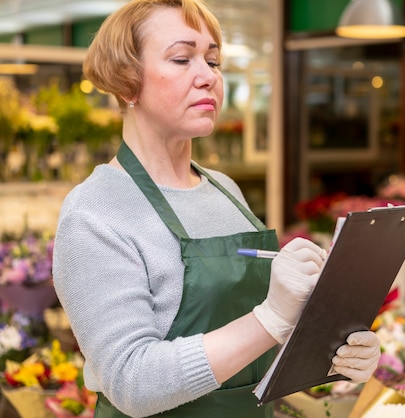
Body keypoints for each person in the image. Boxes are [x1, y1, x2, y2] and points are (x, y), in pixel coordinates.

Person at [51, 0, 380, 417]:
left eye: (213, 60)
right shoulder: (95, 213)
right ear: (126, 81)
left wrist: (331, 346)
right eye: (181, 58)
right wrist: (271, 318)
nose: (208, 77)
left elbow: (253, 350)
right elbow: (131, 382)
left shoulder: (225, 190)